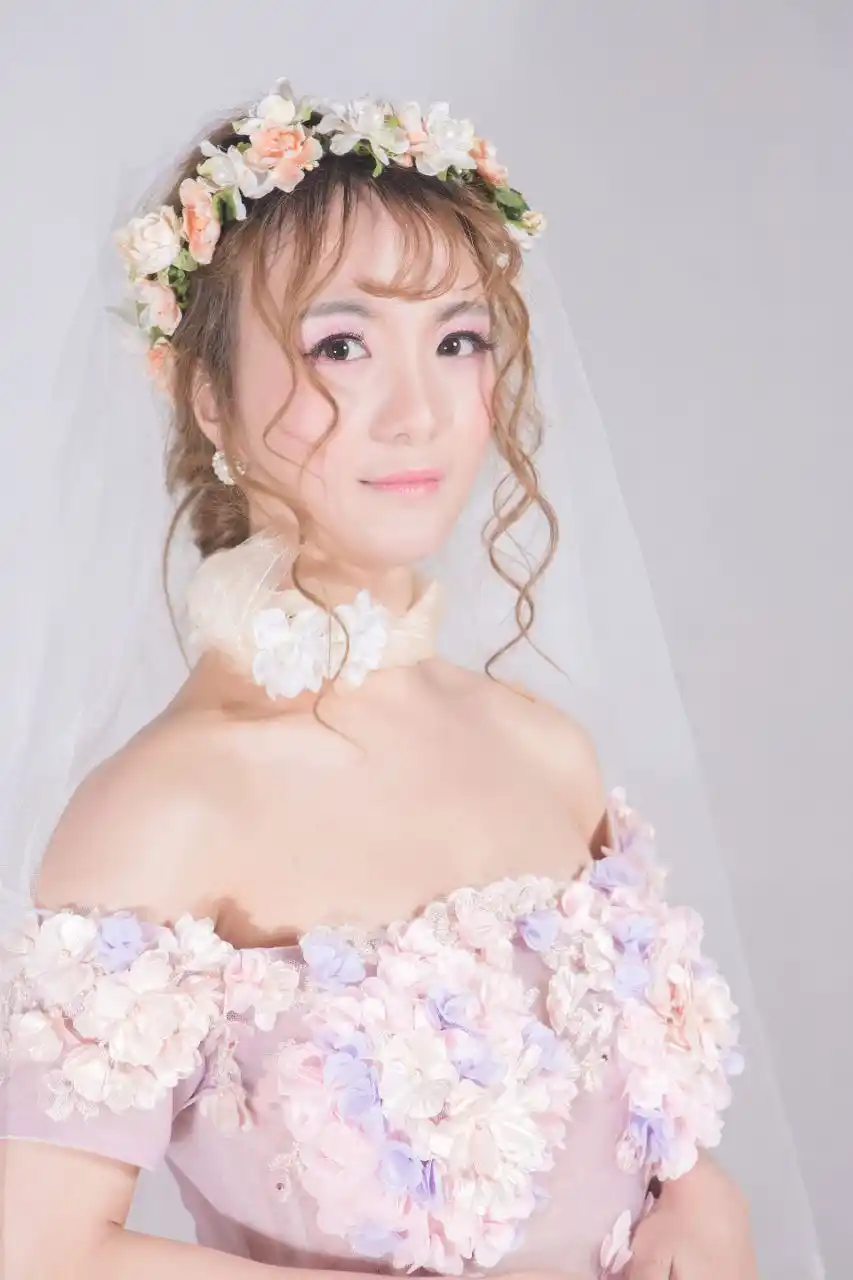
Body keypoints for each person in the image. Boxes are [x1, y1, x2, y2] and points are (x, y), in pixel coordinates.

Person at [0, 83, 755, 1279]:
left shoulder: (547, 748)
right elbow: (40, 1250)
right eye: (341, 346)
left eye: (457, 341)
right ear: (208, 394)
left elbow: (648, 1141)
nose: (418, 414)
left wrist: (707, 1202)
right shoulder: (164, 811)